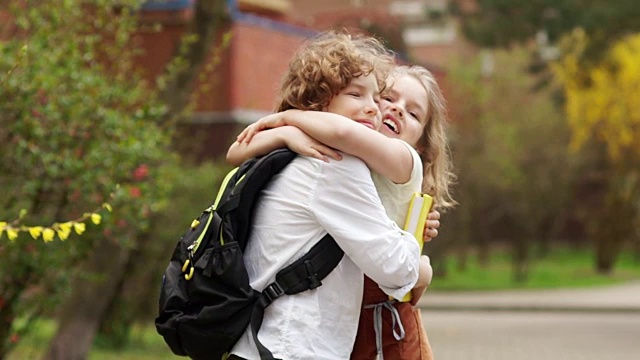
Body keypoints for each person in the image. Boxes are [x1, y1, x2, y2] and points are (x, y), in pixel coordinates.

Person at [227, 31, 433, 360]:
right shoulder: (333, 164)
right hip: (293, 347)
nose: (375, 109)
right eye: (357, 95)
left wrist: (283, 125)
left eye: (373, 97)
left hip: (256, 340)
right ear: (321, 101)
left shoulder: (283, 152)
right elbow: (396, 268)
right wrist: (418, 257)